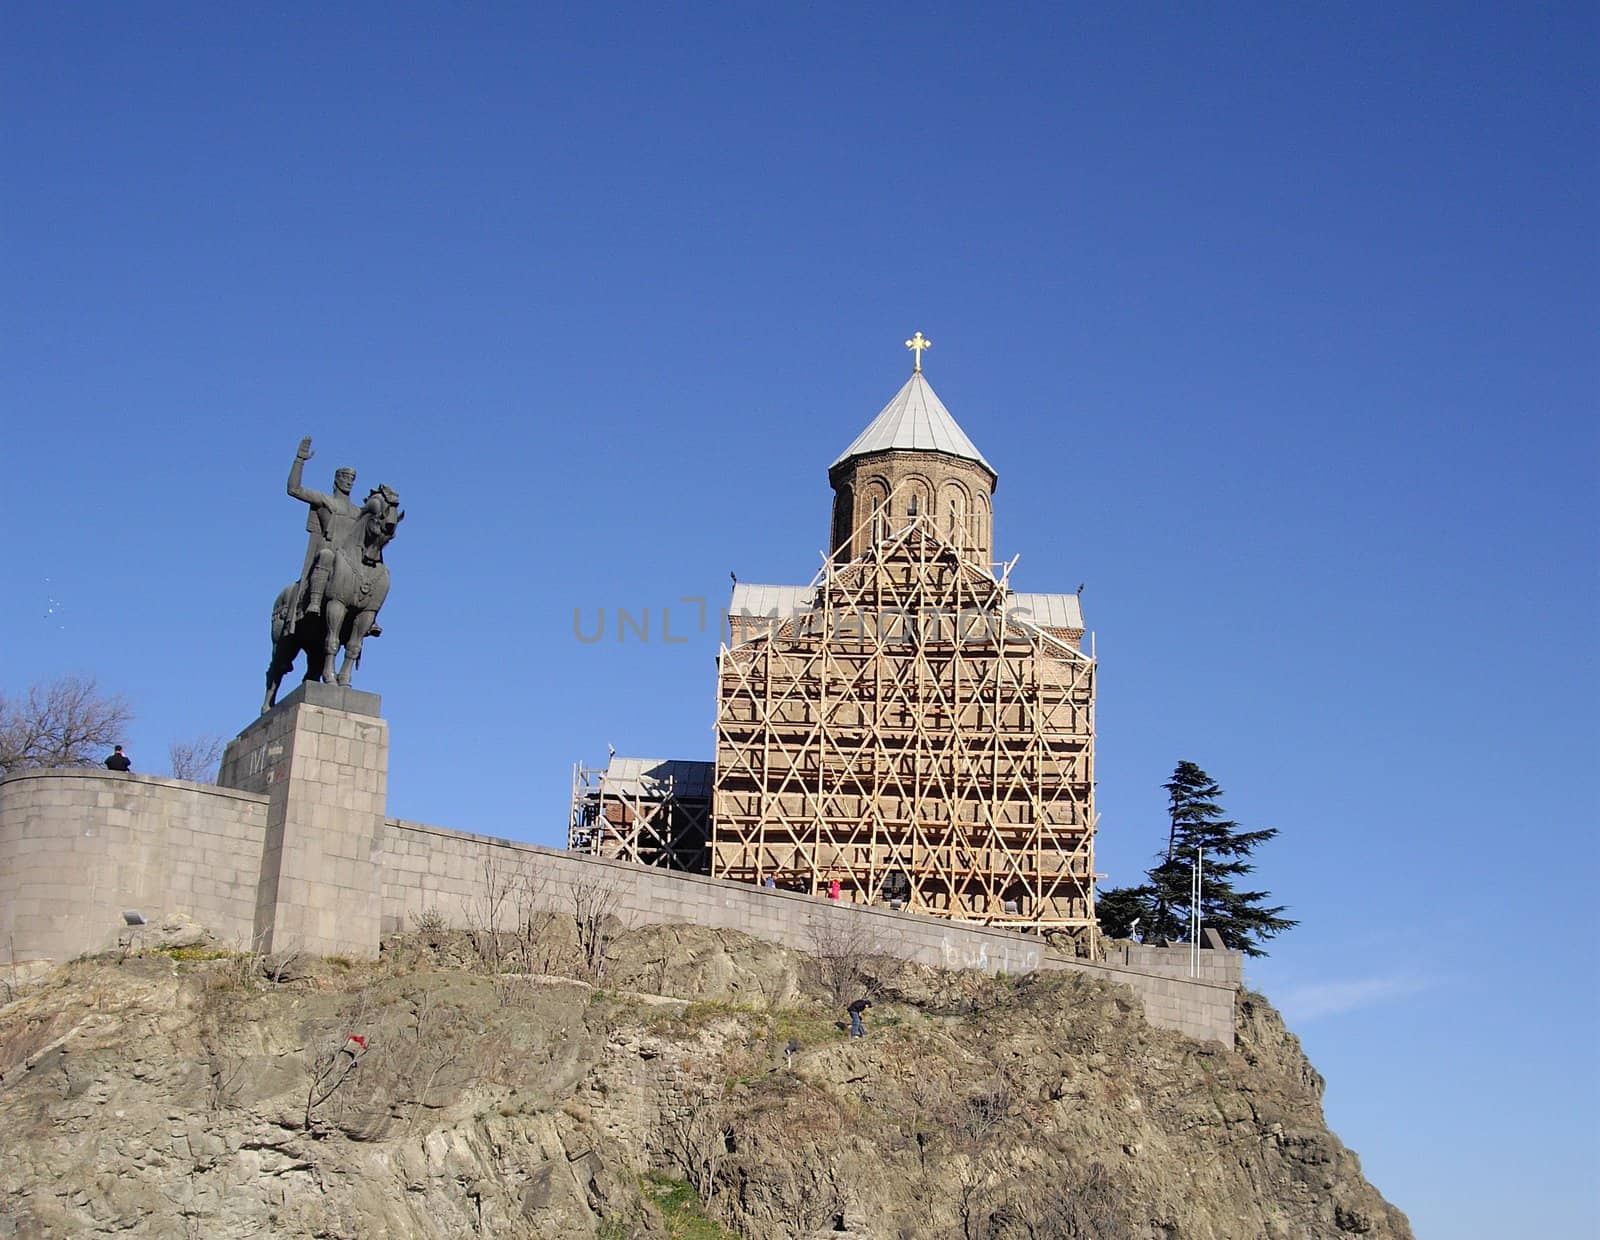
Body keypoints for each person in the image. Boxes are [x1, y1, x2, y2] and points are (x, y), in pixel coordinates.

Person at [286, 437, 362, 620]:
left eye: (352, 479)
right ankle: (314, 601)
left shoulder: (358, 511)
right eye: (345, 477)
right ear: (336, 480)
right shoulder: (325, 500)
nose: (349, 482)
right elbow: (294, 489)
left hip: (350, 558)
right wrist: (300, 460)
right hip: (328, 550)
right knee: (327, 555)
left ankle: (368, 615)